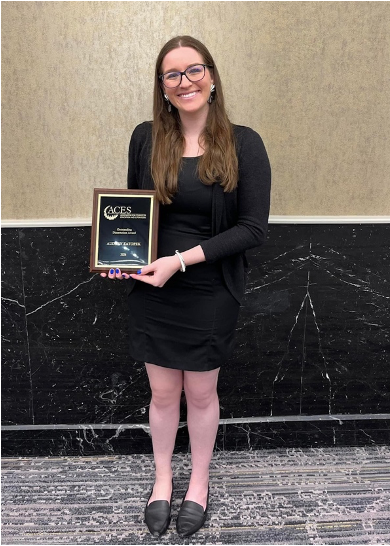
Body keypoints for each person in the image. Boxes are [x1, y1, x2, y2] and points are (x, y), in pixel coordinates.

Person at [101, 35, 271, 538]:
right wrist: (120, 257)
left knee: (200, 392)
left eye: (193, 70)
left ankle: (199, 481)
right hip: (155, 285)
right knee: (161, 391)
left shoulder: (245, 143)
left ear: (212, 77)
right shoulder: (145, 138)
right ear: (163, 87)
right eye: (172, 75)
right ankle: (161, 481)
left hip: (209, 286)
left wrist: (180, 260)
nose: (184, 82)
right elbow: (134, 210)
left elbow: (253, 229)